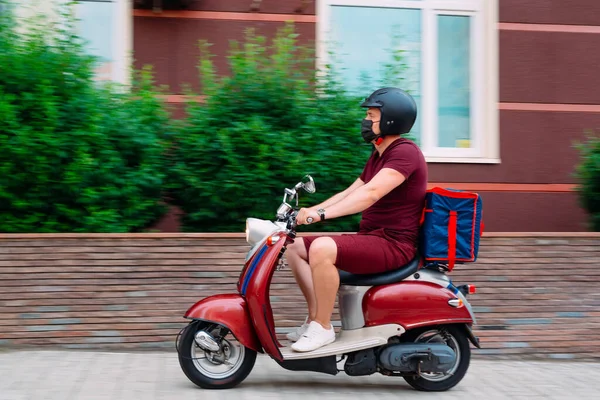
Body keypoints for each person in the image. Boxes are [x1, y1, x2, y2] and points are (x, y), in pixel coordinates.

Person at [285, 87, 428, 353]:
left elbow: (370, 193)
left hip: (394, 244)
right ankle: (315, 319)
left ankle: (324, 327)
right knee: (293, 247)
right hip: (373, 239)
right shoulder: (378, 155)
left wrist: (322, 215)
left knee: (321, 248)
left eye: (372, 115)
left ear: (390, 120)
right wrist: (309, 211)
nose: (365, 121)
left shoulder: (405, 153)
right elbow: (350, 191)